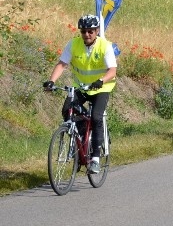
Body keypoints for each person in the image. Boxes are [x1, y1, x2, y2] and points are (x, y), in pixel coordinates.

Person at [43, 15, 117, 174]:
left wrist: (101, 80)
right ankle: (81, 142)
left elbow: (112, 70)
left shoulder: (105, 46)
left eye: (90, 31)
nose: (87, 34)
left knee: (96, 117)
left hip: (101, 88)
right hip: (81, 87)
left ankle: (95, 158)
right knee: (67, 110)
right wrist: (51, 81)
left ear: (97, 31)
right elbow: (62, 64)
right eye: (83, 31)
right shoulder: (74, 44)